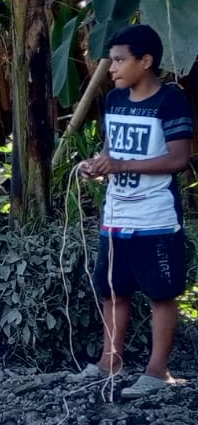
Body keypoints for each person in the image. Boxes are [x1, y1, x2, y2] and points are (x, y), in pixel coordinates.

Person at [75, 24, 193, 397]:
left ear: (146, 61)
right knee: (113, 291)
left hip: (155, 218)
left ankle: (157, 372)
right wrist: (97, 165)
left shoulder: (170, 101)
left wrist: (122, 165)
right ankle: (109, 361)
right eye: (111, 61)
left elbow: (179, 158)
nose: (111, 68)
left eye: (119, 60)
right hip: (116, 216)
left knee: (161, 294)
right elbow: (112, 150)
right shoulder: (115, 100)